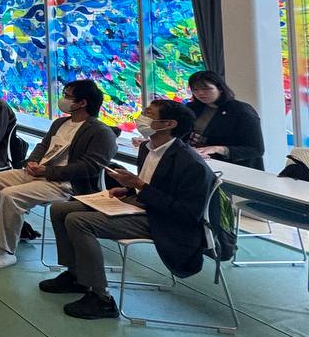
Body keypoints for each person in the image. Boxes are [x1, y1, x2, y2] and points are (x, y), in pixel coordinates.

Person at [43, 99, 212, 320]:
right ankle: (76, 275)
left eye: (149, 114)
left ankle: (101, 298)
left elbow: (187, 213)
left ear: (168, 124)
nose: (142, 117)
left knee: (78, 221)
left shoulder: (190, 163)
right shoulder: (146, 147)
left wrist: (140, 187)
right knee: (59, 209)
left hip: (163, 221)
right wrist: (128, 190)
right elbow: (151, 185)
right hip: (142, 206)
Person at [0, 79, 115, 269]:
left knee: (11, 195)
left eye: (67, 96)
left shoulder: (100, 132)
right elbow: (43, 145)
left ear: (82, 103)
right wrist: (31, 162)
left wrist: (49, 171)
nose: (63, 99)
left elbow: (89, 168)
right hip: (37, 173)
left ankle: (5, 251)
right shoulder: (61, 123)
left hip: (64, 183)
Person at [184, 70, 265, 171]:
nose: (200, 93)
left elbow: (256, 149)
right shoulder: (192, 108)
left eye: (206, 89)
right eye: (195, 89)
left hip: (232, 167)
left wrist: (217, 149)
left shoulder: (241, 110)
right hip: (196, 161)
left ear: (220, 89)